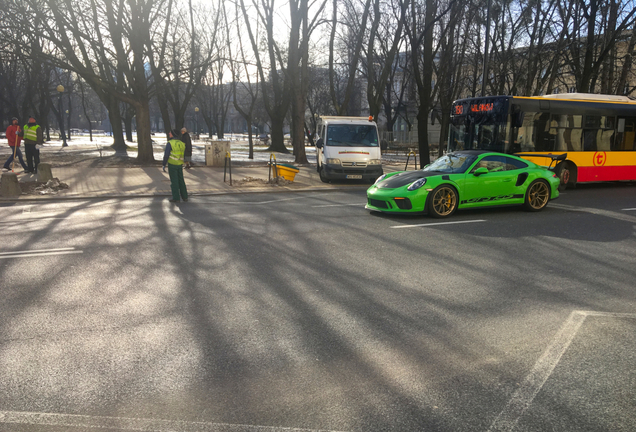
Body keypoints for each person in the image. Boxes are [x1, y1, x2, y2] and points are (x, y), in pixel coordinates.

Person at [162, 129, 188, 203]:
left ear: (173, 134)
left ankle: (176, 198)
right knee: (181, 180)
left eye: (170, 133)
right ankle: (185, 196)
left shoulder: (170, 143)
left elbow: (166, 155)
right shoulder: (181, 143)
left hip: (172, 164)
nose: (169, 133)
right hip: (179, 164)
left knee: (174, 182)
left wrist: (164, 163)